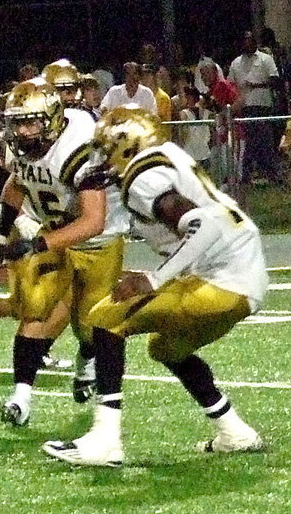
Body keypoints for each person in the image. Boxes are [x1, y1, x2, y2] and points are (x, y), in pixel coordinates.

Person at [43, 107, 267, 467]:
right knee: (166, 348)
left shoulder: (143, 176)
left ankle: (105, 441)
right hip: (243, 278)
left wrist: (153, 278)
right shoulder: (165, 157)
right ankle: (235, 432)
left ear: (125, 146)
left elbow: (202, 226)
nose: (100, 157)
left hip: (222, 280)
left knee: (104, 318)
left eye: (104, 148)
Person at [0, 80, 126, 426]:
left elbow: (93, 221)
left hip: (97, 242)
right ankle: (21, 397)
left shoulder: (79, 146)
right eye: (17, 122)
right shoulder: (25, 145)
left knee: (91, 327)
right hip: (52, 233)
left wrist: (36, 244)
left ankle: (87, 356)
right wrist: (0, 231)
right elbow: (17, 182)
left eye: (31, 122)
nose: (22, 130)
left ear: (52, 120)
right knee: (35, 308)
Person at [228, 29, 283, 184]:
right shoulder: (236, 63)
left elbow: (275, 80)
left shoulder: (265, 59)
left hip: (262, 105)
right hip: (244, 106)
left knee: (265, 140)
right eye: (244, 41)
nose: (247, 44)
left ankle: (271, 174)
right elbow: (230, 84)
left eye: (250, 40)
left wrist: (257, 85)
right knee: (249, 142)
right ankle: (246, 174)